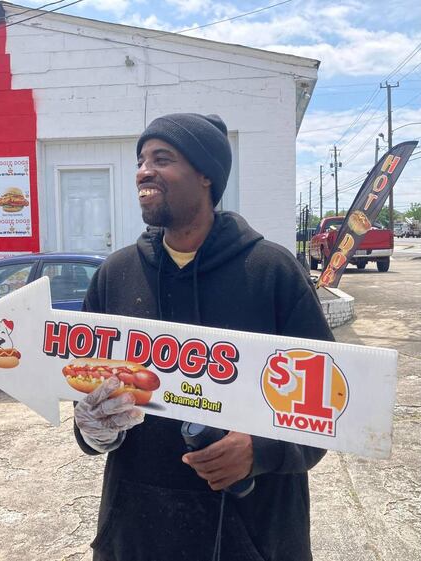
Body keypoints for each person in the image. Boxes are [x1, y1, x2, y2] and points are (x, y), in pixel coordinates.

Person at [74, 113, 334, 561]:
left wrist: (260, 450)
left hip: (253, 528)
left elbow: (329, 401)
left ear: (206, 175)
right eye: (141, 159)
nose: (143, 170)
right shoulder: (114, 276)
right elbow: (90, 394)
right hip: (138, 529)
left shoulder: (272, 272)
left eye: (162, 158)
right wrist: (93, 430)